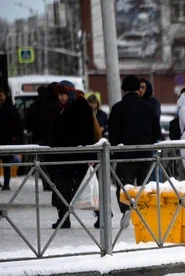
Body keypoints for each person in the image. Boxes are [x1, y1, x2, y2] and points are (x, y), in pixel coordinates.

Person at [107, 75, 162, 219]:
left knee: (125, 185)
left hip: (125, 153)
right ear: (138, 89)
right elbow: (157, 131)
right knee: (145, 185)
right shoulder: (148, 107)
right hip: (145, 152)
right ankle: (146, 213)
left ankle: (126, 210)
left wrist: (115, 150)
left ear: (123, 90)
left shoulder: (118, 108)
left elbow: (112, 132)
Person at [48, 80, 94, 229]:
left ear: (71, 94)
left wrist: (90, 154)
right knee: (60, 188)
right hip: (60, 157)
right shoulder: (56, 109)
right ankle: (63, 217)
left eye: (64, 94)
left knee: (87, 187)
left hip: (77, 156)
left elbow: (89, 133)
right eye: (59, 94)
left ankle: (102, 215)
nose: (61, 97)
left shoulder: (82, 108)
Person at [0, 86, 25, 191]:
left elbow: (18, 124)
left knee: (6, 163)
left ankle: (6, 183)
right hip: (4, 139)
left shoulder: (10, 108)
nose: (0, 98)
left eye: (1, 95)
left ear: (5, 96)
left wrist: (14, 136)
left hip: (6, 140)